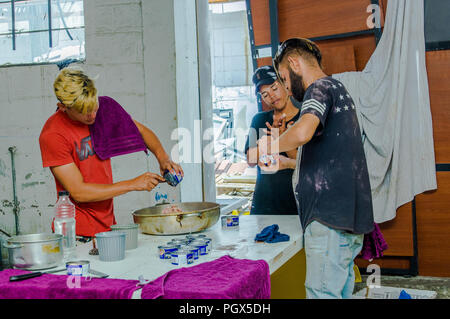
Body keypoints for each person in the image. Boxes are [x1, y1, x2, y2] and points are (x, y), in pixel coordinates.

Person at [259, 38, 374, 298]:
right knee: (338, 293)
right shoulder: (338, 89)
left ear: (293, 63)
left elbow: (303, 132)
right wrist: (288, 159)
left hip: (328, 218)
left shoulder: (319, 88)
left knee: (322, 293)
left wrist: (268, 146)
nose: (288, 89)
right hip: (345, 219)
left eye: (285, 81)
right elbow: (323, 154)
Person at [39, 67, 183, 238]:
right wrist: (133, 184)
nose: (92, 116)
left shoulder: (104, 110)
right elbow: (79, 192)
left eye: (94, 107)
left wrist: (163, 158)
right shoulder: (53, 135)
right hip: (76, 233)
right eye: (84, 112)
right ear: (62, 107)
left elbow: (141, 132)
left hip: (107, 225)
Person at [244, 65, 300, 215]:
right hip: (264, 204)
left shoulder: (304, 118)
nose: (272, 96)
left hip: (296, 203)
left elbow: (304, 164)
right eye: (265, 94)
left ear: (285, 84)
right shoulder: (260, 119)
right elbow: (251, 159)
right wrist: (272, 138)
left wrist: (281, 139)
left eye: (274, 88)